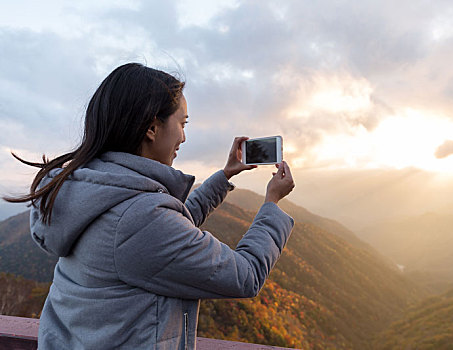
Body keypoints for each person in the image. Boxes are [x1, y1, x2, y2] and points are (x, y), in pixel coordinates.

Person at [3, 63, 295, 350]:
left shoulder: (88, 191)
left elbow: (168, 234)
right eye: (182, 123)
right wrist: (271, 204)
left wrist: (225, 175)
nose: (184, 136)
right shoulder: (139, 218)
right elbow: (245, 275)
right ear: (152, 128)